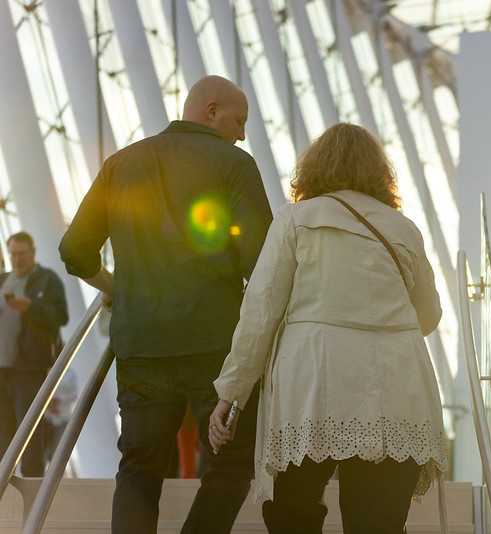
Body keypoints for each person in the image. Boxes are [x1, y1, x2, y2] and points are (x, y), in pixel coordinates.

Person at [208, 123, 448, 533]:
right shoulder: (403, 229)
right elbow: (428, 316)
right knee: (378, 523)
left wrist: (232, 394)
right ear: (379, 172)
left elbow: (261, 312)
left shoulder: (296, 220)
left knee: (293, 512)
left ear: (314, 169)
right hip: (395, 389)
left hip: (313, 386)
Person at [59, 75, 272, 534]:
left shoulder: (121, 164)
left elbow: (75, 251)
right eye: (239, 120)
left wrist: (112, 285)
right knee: (232, 462)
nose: (241, 132)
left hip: (140, 347)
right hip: (216, 348)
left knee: (139, 469)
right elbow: (264, 267)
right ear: (212, 110)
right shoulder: (235, 164)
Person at [0, 231, 69, 477]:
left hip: (28, 369)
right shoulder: (2, 280)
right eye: (12, 254)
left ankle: (33, 490)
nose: (16, 259)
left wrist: (31, 307)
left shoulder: (47, 280)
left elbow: (60, 316)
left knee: (28, 432)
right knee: (2, 432)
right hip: (1, 370)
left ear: (33, 253)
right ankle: (4, 495)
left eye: (21, 254)